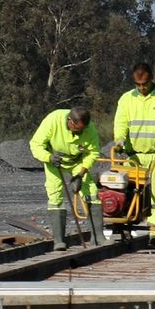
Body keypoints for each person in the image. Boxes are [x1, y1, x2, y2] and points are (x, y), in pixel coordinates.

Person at [112, 62, 155, 239]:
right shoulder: (126, 99)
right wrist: (119, 139)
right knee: (126, 189)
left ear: (151, 79)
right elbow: (121, 122)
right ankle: (125, 224)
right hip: (133, 156)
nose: (142, 88)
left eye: (145, 84)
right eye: (138, 84)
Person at [30, 105, 103, 250]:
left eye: (82, 130)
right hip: (54, 161)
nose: (79, 133)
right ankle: (59, 241)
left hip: (78, 162)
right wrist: (49, 157)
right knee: (55, 196)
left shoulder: (90, 128)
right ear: (70, 121)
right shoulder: (53, 120)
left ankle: (98, 237)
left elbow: (93, 153)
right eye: (77, 130)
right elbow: (35, 144)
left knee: (91, 192)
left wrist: (80, 175)